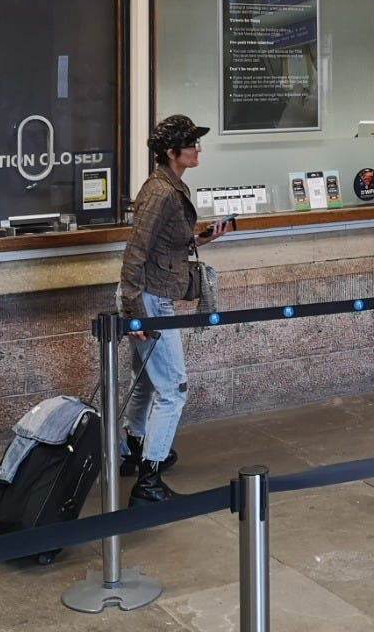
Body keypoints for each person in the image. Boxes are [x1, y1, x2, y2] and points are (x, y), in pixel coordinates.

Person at [117, 114, 231, 505]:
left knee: (147, 381)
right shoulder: (161, 192)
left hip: (151, 294)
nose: (198, 148)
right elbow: (136, 251)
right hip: (151, 298)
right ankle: (149, 479)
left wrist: (204, 238)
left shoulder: (169, 186)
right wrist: (133, 310)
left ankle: (134, 449)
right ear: (171, 152)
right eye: (191, 143)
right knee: (174, 389)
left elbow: (168, 245)